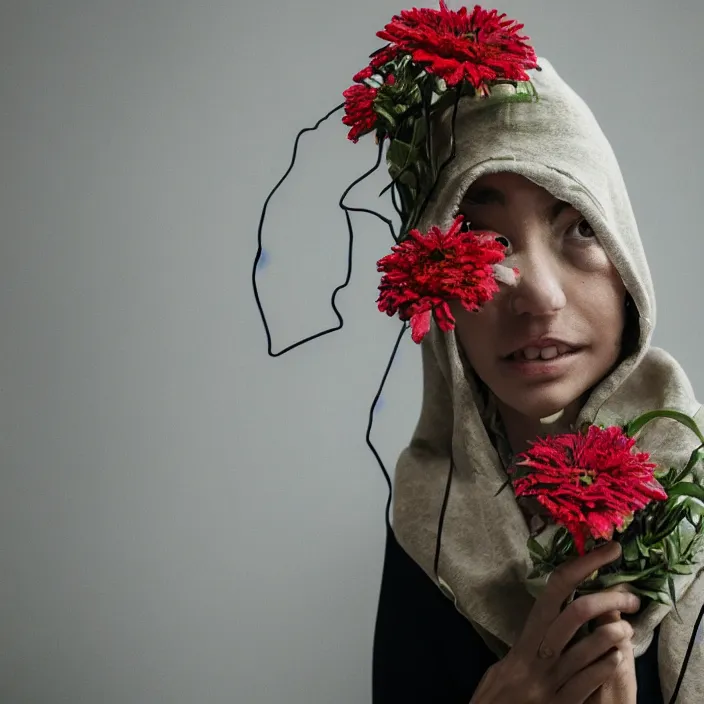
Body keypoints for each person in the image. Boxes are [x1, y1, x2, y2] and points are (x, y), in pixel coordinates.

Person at [371, 59, 704, 703]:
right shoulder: (426, 526)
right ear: (436, 285)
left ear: (625, 254)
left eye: (579, 227)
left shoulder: (695, 487)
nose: (539, 297)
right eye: (481, 241)